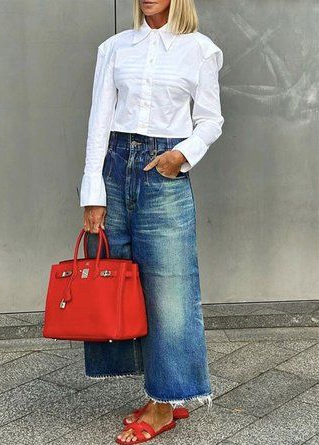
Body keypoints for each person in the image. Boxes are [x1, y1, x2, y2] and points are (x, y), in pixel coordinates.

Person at [80, 0, 224, 442]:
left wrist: (179, 156)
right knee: (120, 280)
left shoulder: (200, 50)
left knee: (171, 288)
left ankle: (164, 404)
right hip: (114, 167)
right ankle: (160, 394)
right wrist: (93, 192)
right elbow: (99, 122)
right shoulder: (115, 47)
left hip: (163, 172)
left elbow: (210, 120)